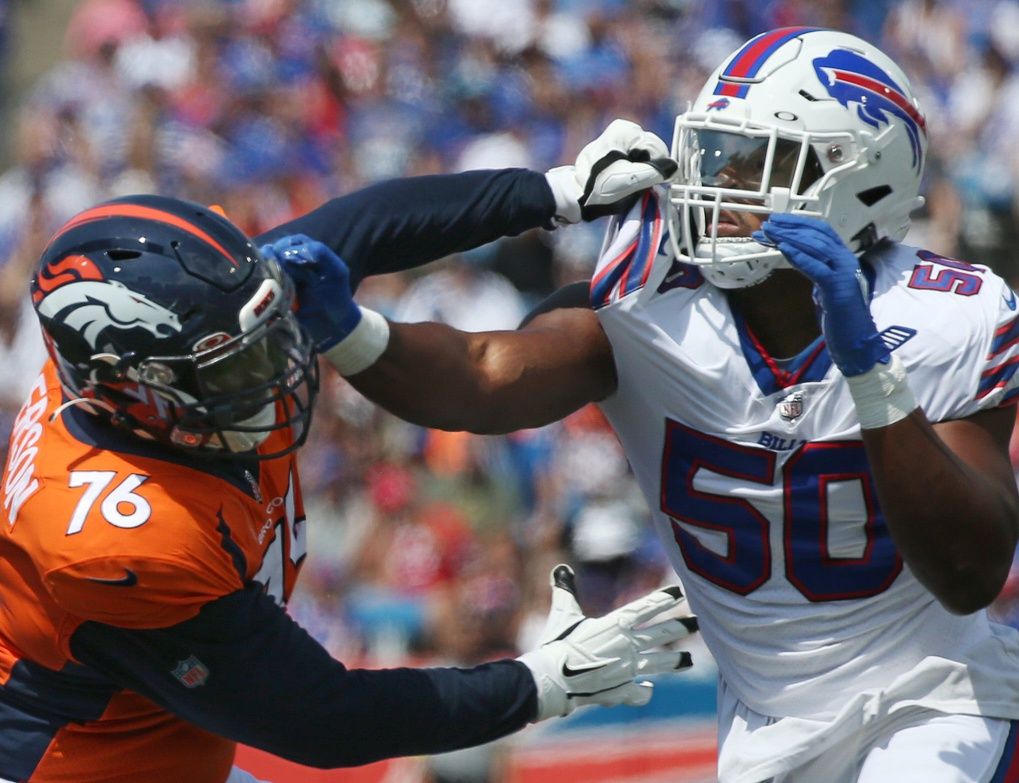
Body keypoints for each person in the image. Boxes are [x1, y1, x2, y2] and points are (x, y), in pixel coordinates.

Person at [280, 29, 1019, 783]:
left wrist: (869, 374)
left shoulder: (948, 316)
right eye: (717, 151)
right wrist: (354, 331)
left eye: (755, 159)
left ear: (856, 180)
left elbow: (969, 571)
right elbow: (482, 375)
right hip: (761, 720)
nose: (719, 180)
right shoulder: (649, 295)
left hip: (935, 701)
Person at [0, 131, 699, 783]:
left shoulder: (171, 335)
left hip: (165, 743)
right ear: (133, 391)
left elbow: (360, 226)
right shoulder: (119, 543)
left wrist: (554, 191)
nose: (274, 368)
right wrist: (541, 682)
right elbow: (323, 717)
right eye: (230, 369)